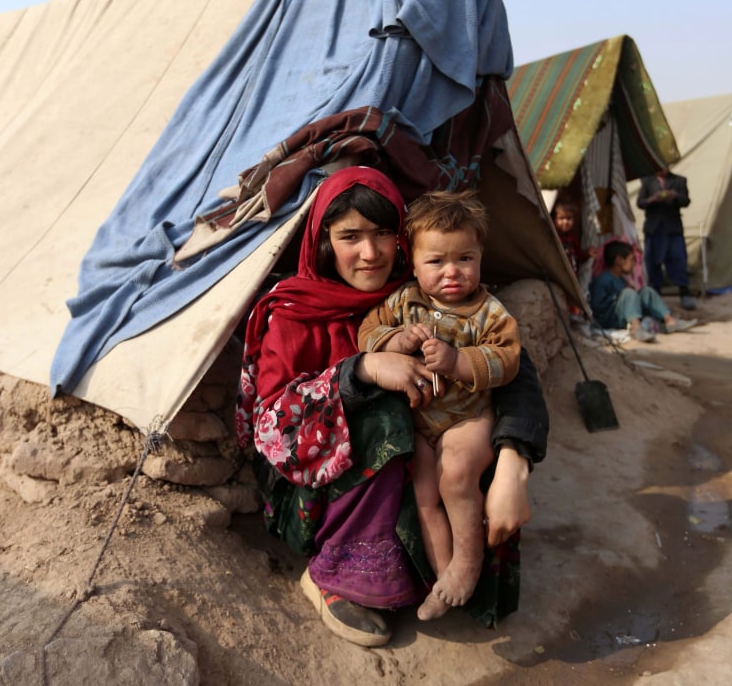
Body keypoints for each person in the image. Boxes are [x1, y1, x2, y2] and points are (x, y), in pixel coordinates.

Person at [235, 165, 549, 648]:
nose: (370, 252)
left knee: (467, 442)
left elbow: (511, 370)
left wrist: (514, 464)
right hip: (312, 488)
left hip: (415, 463)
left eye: (383, 233)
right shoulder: (294, 312)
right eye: (350, 236)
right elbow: (270, 429)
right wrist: (358, 372)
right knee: (389, 414)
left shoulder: (424, 294)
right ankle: (335, 573)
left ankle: (448, 576)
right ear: (322, 241)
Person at [358, 190, 520, 622]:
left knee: (456, 479)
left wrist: (457, 361)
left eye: (464, 259)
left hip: (468, 418)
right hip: (422, 423)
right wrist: (394, 341)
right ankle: (443, 577)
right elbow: (367, 331)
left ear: (481, 255)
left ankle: (468, 564)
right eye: (436, 262)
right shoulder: (405, 302)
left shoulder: (490, 312)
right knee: (425, 494)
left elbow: (507, 359)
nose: (452, 272)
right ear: (412, 262)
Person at [589, 239, 697, 342]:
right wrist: (622, 298)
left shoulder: (621, 280)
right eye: (631, 260)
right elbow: (598, 307)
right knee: (629, 293)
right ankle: (636, 328)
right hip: (609, 320)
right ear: (619, 260)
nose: (633, 264)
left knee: (646, 291)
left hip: (622, 314)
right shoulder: (603, 280)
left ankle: (669, 321)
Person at [636, 169, 696, 310]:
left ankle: (684, 291)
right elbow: (640, 203)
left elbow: (686, 201)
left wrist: (675, 195)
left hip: (672, 226)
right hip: (654, 227)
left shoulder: (679, 180)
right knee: (653, 261)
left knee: (678, 258)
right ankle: (655, 295)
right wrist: (653, 199)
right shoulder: (647, 181)